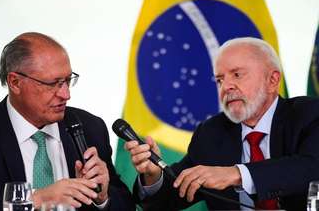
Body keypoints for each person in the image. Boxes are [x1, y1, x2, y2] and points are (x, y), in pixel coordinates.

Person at [124, 37, 319, 210]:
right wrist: (154, 175)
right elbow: (166, 201)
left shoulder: (309, 113)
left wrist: (237, 174)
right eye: (219, 80)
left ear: (272, 80)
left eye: (237, 75)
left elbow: (311, 168)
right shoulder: (212, 133)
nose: (226, 87)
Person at [0, 32, 135, 211]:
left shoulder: (89, 127)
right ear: (15, 82)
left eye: (67, 81)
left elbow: (125, 205)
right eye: (53, 84)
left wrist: (102, 198)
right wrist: (35, 198)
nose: (66, 94)